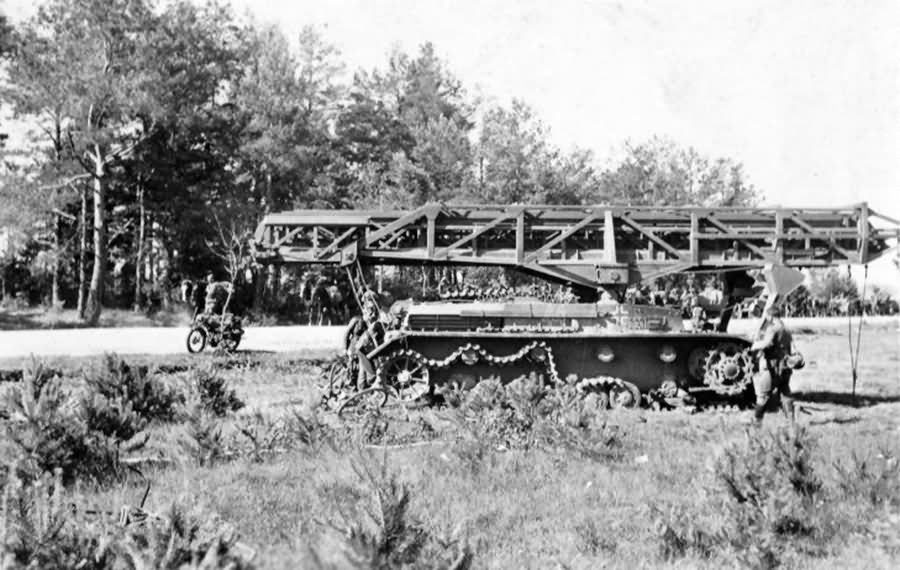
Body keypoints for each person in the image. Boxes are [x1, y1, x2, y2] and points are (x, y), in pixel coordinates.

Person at [750, 305, 800, 423]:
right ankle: (791, 423)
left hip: (772, 368)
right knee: (785, 394)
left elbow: (766, 344)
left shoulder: (773, 328)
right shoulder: (786, 329)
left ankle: (757, 423)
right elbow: (792, 348)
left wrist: (754, 346)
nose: (766, 318)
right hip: (785, 367)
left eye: (767, 316)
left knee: (762, 395)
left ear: (771, 316)